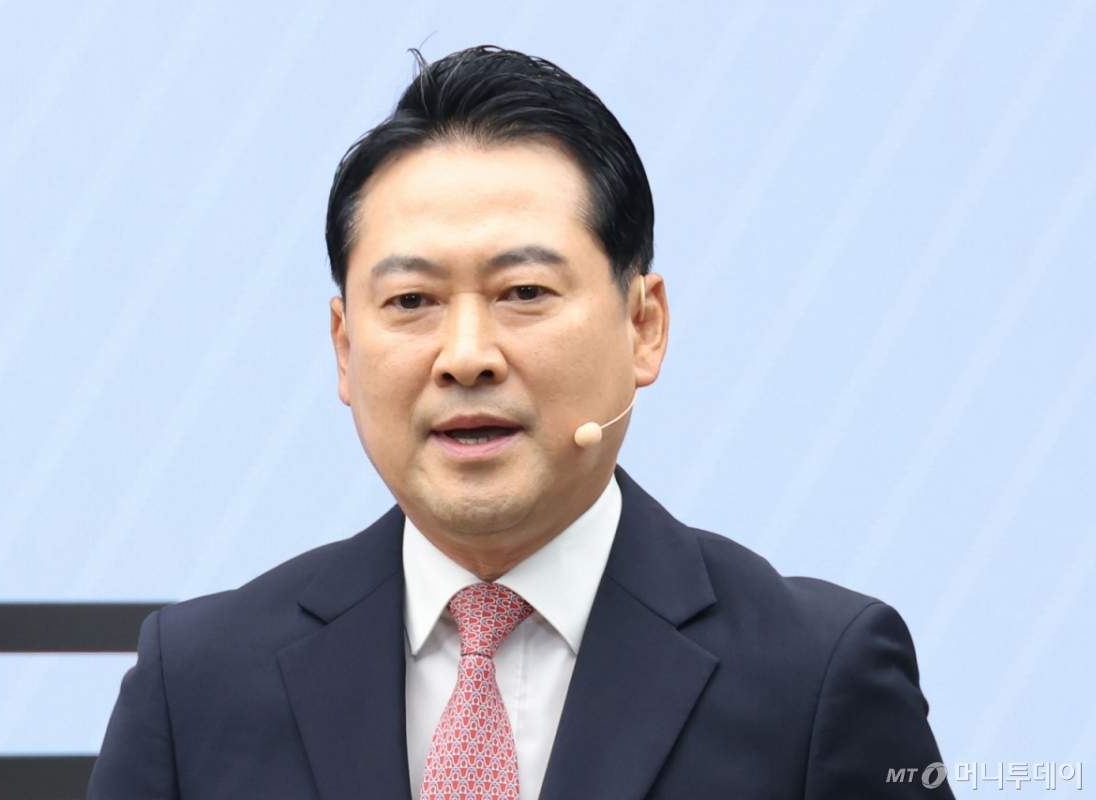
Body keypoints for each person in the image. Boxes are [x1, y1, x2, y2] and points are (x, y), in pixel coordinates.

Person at [90, 46, 952, 800]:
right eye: (412, 301)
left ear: (644, 325)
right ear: (345, 348)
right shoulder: (196, 685)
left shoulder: (813, 677)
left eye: (525, 292)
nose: (466, 356)